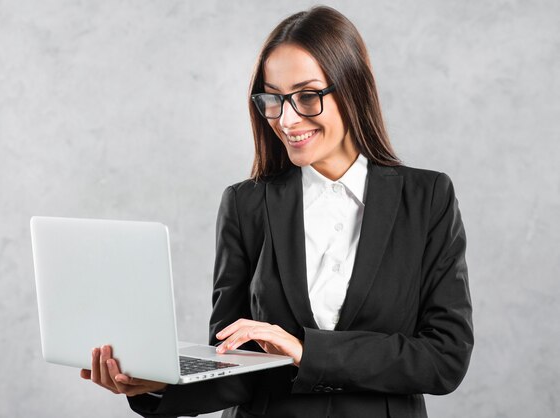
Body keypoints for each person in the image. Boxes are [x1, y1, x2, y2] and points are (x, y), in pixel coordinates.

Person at [80, 6, 473, 417]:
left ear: (353, 88)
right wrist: (156, 385)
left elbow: (444, 358)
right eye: (273, 99)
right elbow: (234, 362)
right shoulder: (245, 204)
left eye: (306, 96)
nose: (286, 119)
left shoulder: (428, 198)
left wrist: (307, 352)